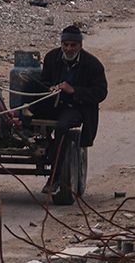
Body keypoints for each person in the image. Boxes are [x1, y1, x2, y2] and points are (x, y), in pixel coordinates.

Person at [40, 25, 108, 195]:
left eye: (73, 45)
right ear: (61, 44)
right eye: (66, 45)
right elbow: (43, 81)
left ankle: (54, 177)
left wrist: (74, 91)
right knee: (25, 114)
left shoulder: (92, 65)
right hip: (53, 104)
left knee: (62, 127)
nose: (69, 49)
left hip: (76, 107)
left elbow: (101, 92)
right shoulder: (51, 57)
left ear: (80, 45)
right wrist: (50, 88)